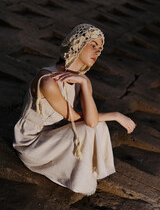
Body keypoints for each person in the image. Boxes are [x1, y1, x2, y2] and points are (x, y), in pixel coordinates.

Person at [13, 23, 136, 195]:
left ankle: (89, 173)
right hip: (32, 143)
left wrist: (84, 83)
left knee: (98, 126)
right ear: (77, 43)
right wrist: (115, 115)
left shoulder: (82, 81)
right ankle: (81, 183)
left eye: (100, 49)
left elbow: (91, 118)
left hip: (52, 136)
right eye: (93, 45)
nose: (97, 52)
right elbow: (87, 120)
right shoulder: (48, 80)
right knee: (90, 127)